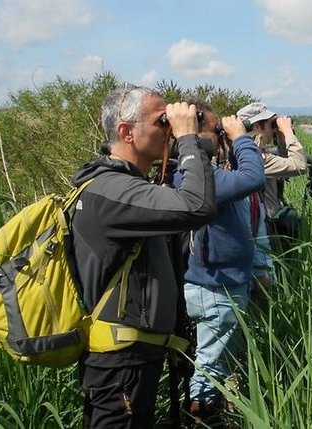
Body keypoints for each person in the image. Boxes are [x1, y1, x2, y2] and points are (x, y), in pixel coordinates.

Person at [70, 84, 217, 427]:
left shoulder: (129, 187)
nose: (169, 129)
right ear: (126, 132)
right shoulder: (111, 190)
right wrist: (189, 140)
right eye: (161, 121)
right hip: (119, 365)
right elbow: (197, 205)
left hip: (133, 358)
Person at [173, 102, 265, 427]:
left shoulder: (202, 176)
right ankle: (201, 419)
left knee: (212, 360)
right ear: (197, 135)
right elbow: (253, 178)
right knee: (210, 366)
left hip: (216, 286)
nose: (219, 136)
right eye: (216, 130)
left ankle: (206, 411)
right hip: (216, 290)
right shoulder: (204, 180)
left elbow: (242, 178)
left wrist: (232, 143)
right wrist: (240, 138)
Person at [235, 102, 307, 250]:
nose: (273, 128)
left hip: (251, 226)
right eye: (270, 124)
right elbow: (299, 166)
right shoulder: (257, 157)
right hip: (265, 229)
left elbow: (282, 164)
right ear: (256, 127)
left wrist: (281, 140)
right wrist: (287, 131)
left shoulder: (241, 151)